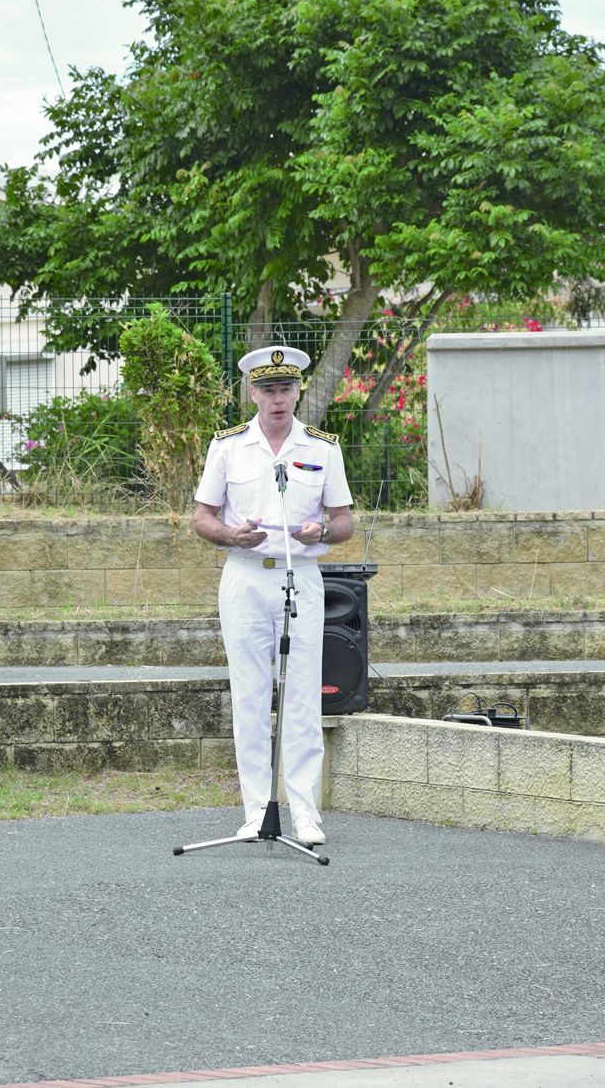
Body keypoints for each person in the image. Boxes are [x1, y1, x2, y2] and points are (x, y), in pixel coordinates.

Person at [192, 345, 354, 846]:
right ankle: (257, 810)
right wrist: (229, 536)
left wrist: (321, 532)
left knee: (303, 694)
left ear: (298, 390)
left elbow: (345, 521)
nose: (277, 399)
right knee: (250, 695)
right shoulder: (228, 445)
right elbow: (202, 517)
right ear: (253, 393)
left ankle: (305, 813)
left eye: (285, 388)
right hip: (244, 575)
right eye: (267, 389)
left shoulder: (322, 448)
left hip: (299, 574)